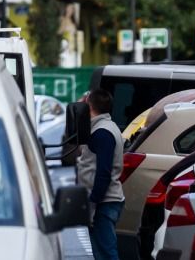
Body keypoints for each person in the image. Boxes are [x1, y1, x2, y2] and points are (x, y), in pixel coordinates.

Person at [76, 88, 124, 260]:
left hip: (104, 202)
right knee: (102, 253)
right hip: (104, 201)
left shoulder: (102, 132)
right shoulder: (104, 128)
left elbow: (103, 172)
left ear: (89, 106)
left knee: (106, 253)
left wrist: (93, 204)